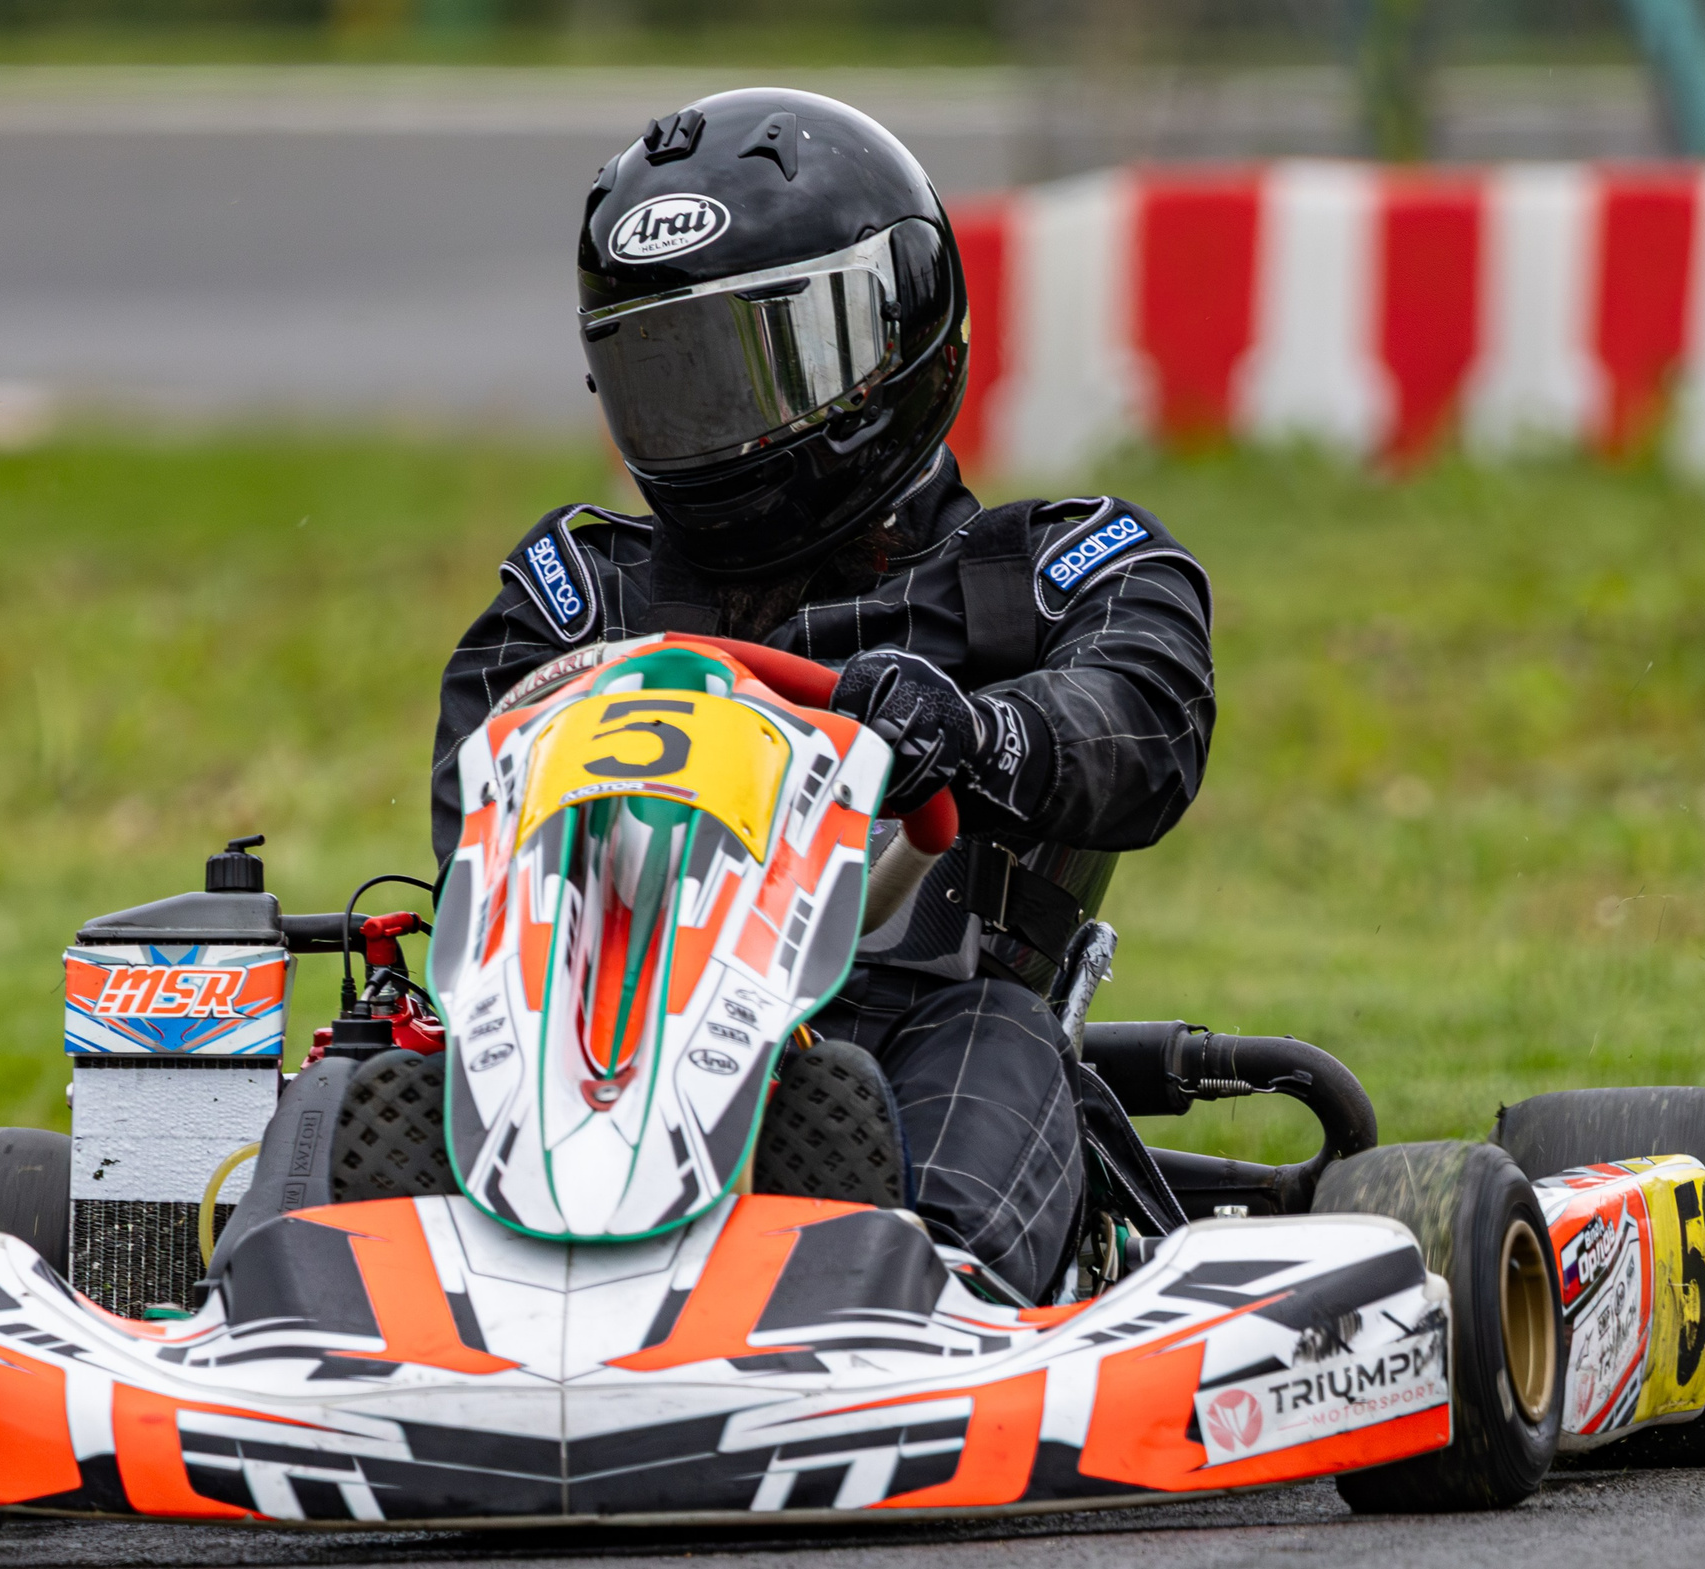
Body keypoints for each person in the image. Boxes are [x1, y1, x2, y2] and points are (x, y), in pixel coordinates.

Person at [429, 89, 1214, 1304]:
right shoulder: (577, 597)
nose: (718, 429)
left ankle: (927, 1306)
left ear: (894, 324)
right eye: (674, 380)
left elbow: (1144, 721)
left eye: (759, 366)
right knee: (374, 1062)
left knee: (997, 1039)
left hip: (910, 1035)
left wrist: (975, 729)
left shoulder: (1048, 574)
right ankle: (288, 1291)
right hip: (588, 1057)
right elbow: (476, 802)